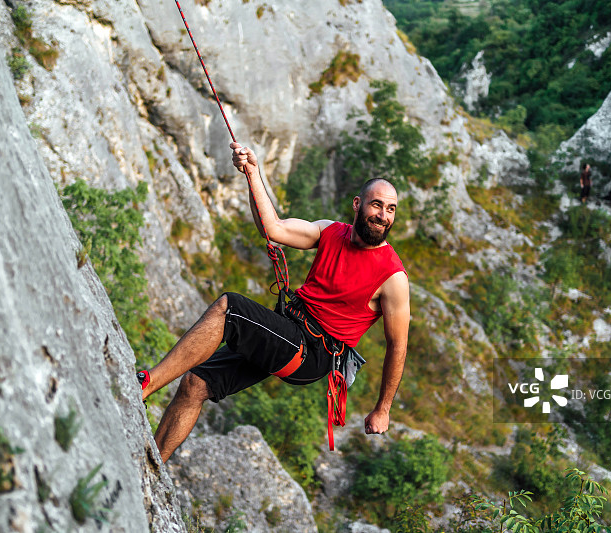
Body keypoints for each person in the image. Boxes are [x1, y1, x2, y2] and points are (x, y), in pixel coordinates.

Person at [137, 142, 411, 462]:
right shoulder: (330, 232)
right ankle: (151, 465)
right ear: (357, 204)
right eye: (377, 205)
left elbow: (398, 346)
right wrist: (252, 173)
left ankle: (145, 384)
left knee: (231, 309)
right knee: (195, 383)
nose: (382, 215)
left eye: (390, 209)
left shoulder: (393, 277)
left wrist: (383, 409)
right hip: (289, 329)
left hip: (313, 350)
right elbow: (274, 229)